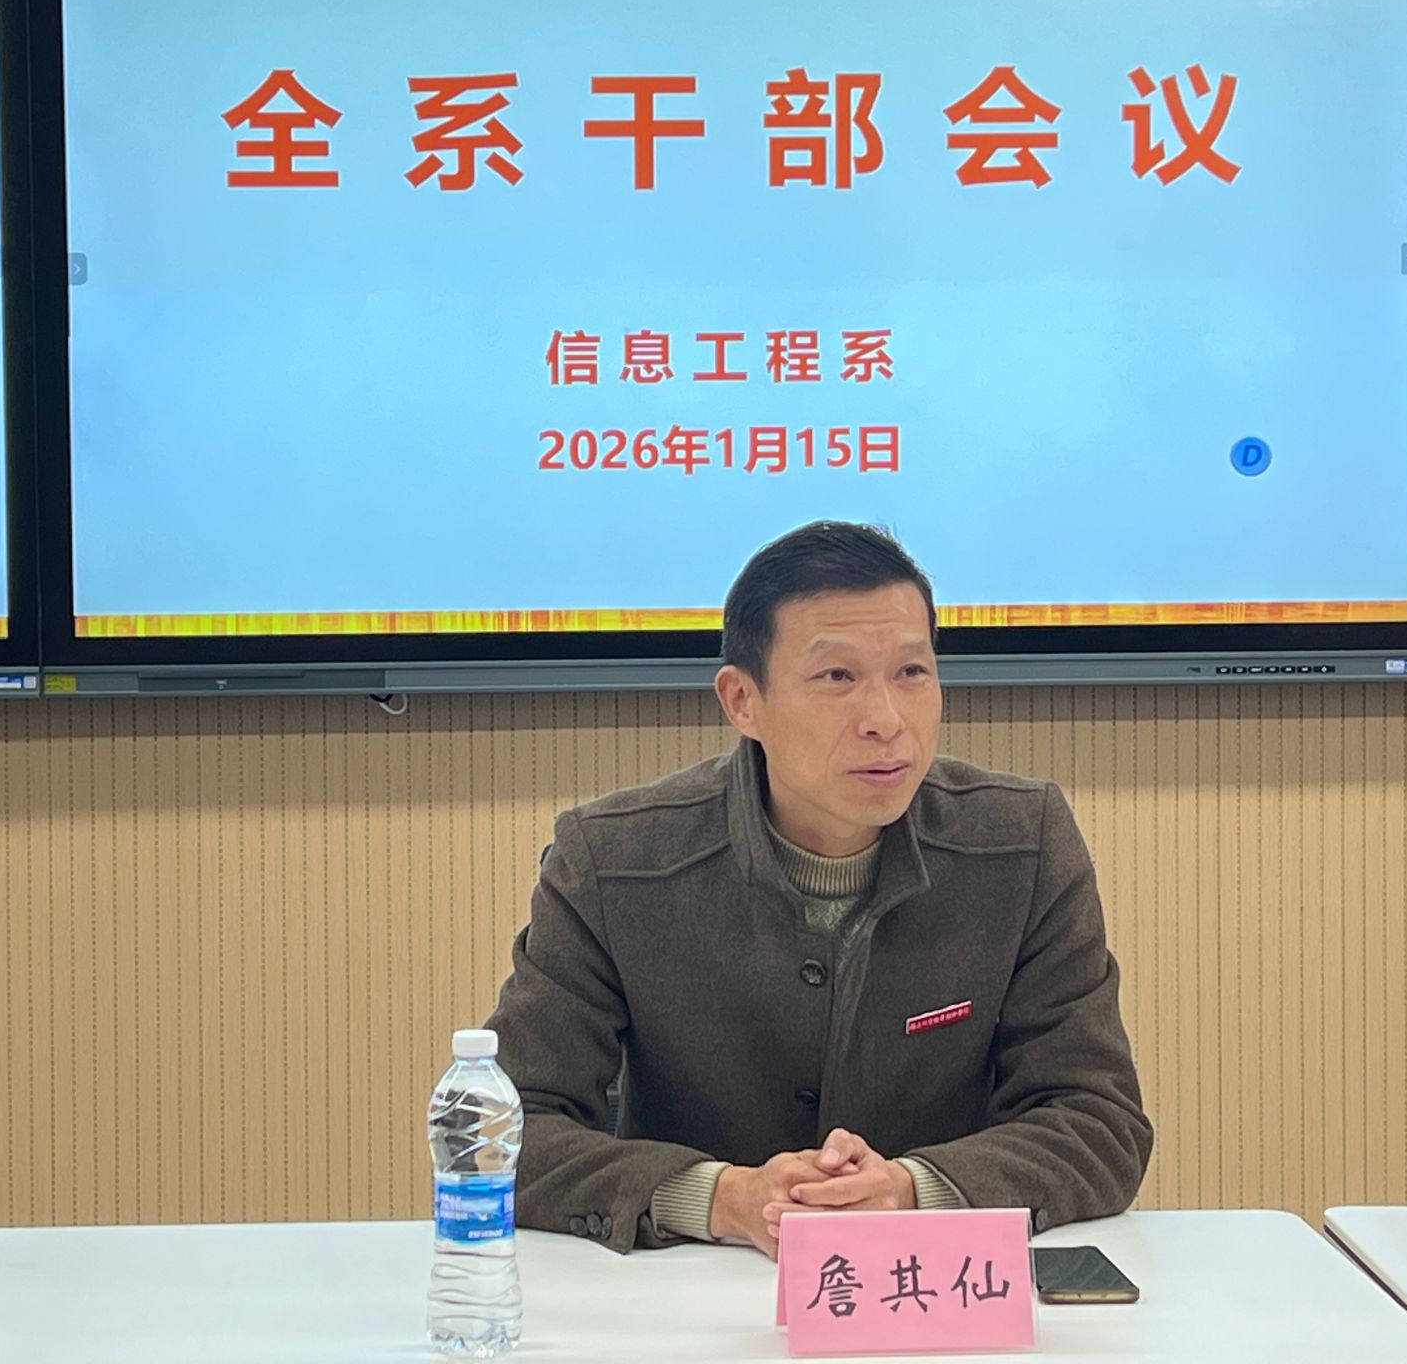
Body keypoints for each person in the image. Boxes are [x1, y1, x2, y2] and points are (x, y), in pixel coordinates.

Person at [485, 520, 1152, 1255]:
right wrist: (721, 1198)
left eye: (912, 672)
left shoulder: (1021, 844)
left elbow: (1097, 1121)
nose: (885, 720)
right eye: (837, 677)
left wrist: (910, 1189)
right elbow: (506, 1132)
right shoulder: (613, 859)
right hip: (692, 1287)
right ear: (743, 700)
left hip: (934, 1287)